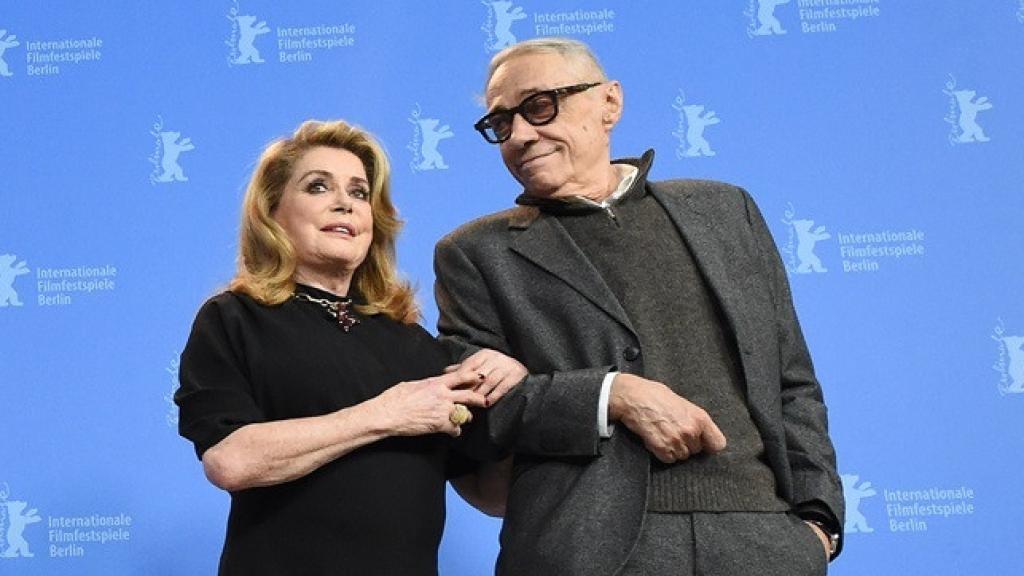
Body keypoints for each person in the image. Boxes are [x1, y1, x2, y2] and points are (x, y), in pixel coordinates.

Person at [434, 38, 844, 576]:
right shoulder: (473, 253)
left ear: (609, 103)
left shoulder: (724, 210)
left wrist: (818, 524)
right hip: (586, 549)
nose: (520, 135)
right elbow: (473, 414)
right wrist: (609, 395)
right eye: (501, 123)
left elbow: (791, 380)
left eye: (538, 106)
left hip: (763, 541)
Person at [174, 119, 524, 575]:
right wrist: (386, 414)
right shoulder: (234, 318)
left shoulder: (415, 344)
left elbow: (491, 496)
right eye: (318, 187)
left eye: (359, 193)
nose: (344, 203)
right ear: (273, 211)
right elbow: (231, 460)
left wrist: (510, 385)